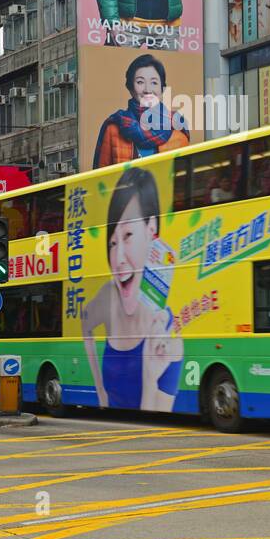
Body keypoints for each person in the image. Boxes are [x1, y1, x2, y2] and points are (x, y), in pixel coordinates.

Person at [81, 167, 183, 412]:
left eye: (127, 235)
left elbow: (153, 427)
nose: (118, 257)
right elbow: (85, 322)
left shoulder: (168, 340)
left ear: (152, 229)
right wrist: (101, 394)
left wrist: (150, 379)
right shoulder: (108, 297)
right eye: (112, 243)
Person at [92, 53, 190, 168]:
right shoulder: (113, 128)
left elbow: (184, 178)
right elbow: (100, 178)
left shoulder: (177, 127)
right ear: (131, 88)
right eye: (140, 82)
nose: (148, 89)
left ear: (162, 88)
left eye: (154, 82)